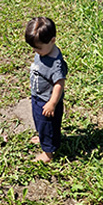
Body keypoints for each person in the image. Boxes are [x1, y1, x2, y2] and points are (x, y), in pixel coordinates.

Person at [25, 17, 68, 163]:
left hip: (47, 102)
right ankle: (43, 138)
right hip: (37, 96)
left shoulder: (56, 63)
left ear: (52, 41)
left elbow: (59, 84)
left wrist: (52, 103)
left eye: (38, 48)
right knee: (40, 122)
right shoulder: (43, 51)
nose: (34, 50)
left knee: (48, 126)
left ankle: (48, 153)